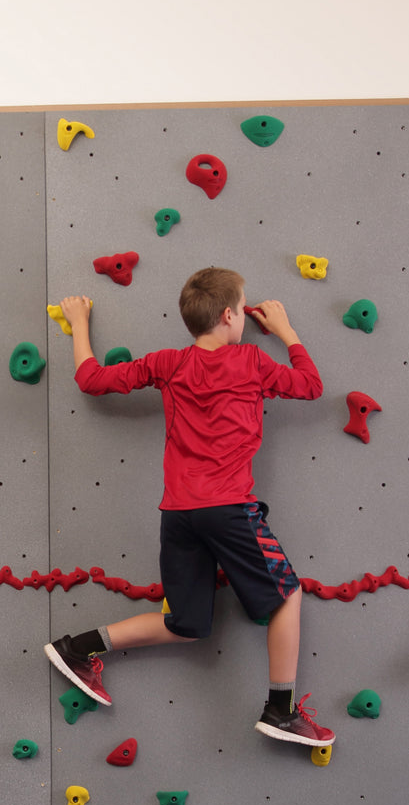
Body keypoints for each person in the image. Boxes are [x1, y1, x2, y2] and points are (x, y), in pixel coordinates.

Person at [44, 268, 335, 747]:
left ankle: (76, 648)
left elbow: (91, 380)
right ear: (228, 315)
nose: (244, 317)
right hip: (229, 509)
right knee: (287, 597)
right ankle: (281, 711)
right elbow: (310, 385)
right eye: (241, 310)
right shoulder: (253, 362)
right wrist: (286, 331)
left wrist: (78, 323)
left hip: (179, 515)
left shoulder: (168, 363)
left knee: (187, 624)